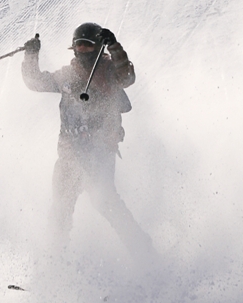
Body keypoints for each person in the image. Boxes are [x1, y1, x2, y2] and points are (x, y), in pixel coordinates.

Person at [21, 23, 155, 261]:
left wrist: (114, 47)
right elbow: (36, 82)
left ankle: (145, 253)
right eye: (79, 46)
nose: (82, 51)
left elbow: (128, 77)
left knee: (105, 201)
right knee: (60, 208)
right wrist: (31, 55)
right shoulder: (67, 76)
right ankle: (55, 266)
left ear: (97, 48)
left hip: (99, 152)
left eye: (88, 46)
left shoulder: (109, 72)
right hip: (69, 153)